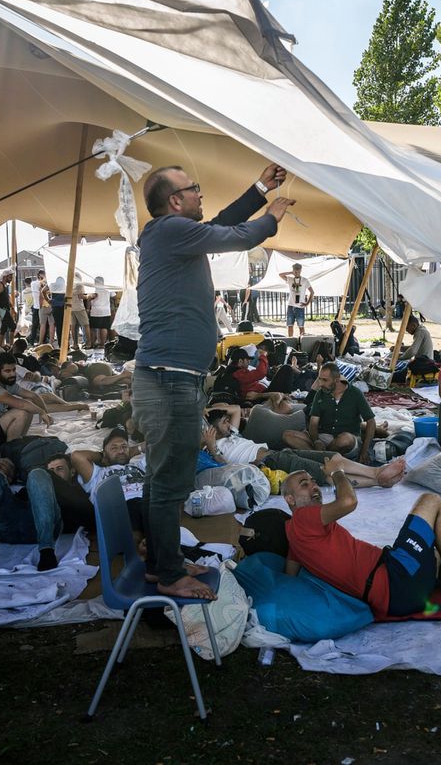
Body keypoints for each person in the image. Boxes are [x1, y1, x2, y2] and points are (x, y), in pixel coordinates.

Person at [133, 161, 292, 600]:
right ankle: (167, 574)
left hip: (168, 379)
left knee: (160, 480)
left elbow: (222, 222)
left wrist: (259, 187)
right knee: (169, 483)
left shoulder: (176, 236)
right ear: (174, 201)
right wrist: (269, 219)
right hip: (169, 381)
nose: (202, 195)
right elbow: (235, 235)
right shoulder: (168, 231)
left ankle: (158, 563)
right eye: (195, 189)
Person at [282, 468, 441, 618]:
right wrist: (337, 472)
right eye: (304, 484)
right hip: (396, 580)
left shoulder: (296, 539)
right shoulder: (303, 518)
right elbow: (348, 501)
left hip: (396, 597)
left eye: (313, 482)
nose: (314, 487)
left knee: (434, 549)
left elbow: (289, 578)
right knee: (431, 502)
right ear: (289, 500)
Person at [202, 408, 404, 488]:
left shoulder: (232, 434)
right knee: (324, 473)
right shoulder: (214, 449)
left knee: (331, 457)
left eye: (229, 422)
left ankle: (377, 473)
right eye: (224, 423)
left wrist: (207, 410)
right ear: (212, 429)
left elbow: (236, 409)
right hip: (268, 463)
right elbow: (225, 469)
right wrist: (211, 447)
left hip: (278, 453)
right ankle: (377, 479)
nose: (229, 425)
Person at [0, 456, 63, 575]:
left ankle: (47, 550)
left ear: (10, 477)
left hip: (38, 524)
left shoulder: (27, 485)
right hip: (7, 529)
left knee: (38, 473)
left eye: (2, 466)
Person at [282, 362, 375, 462]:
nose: (320, 384)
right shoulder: (320, 394)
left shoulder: (355, 393)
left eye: (325, 380)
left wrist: (364, 450)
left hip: (349, 439)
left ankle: (316, 457)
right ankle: (323, 458)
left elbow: (371, 422)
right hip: (324, 438)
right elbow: (313, 423)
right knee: (287, 435)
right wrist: (316, 440)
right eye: (320, 379)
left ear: (337, 380)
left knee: (344, 439)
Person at [0, 352, 55, 447]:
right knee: (21, 412)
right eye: (7, 371)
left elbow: (33, 396)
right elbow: (21, 405)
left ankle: (19, 440)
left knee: (30, 403)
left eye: (14, 370)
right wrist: (41, 412)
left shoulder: (7, 382)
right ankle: (11, 448)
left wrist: (46, 413)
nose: (12, 374)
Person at [280, 262, 314, 338]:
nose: (296, 273)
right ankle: (290, 340)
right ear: (293, 271)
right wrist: (290, 273)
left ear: (301, 271)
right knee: (290, 325)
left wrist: (307, 303)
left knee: (301, 326)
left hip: (300, 307)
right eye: (295, 271)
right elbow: (280, 275)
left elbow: (312, 292)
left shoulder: (305, 280)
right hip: (291, 306)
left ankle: (302, 342)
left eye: (298, 271)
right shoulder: (290, 279)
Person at [87, 277, 112, 349]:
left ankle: (92, 343)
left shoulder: (93, 289)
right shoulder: (108, 288)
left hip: (95, 311)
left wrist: (88, 309)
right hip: (106, 311)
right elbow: (114, 296)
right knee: (104, 327)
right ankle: (102, 344)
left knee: (93, 328)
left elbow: (89, 299)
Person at [0, 272, 16, 348]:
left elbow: (7, 298)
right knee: (12, 326)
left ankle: (0, 346)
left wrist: (12, 308)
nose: (11, 279)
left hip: (6, 309)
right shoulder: (0, 285)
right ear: (5, 277)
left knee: (4, 327)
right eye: (10, 277)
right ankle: (11, 345)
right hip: (2, 309)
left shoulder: (6, 285)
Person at [69, 279, 89, 350]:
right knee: (86, 325)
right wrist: (88, 296)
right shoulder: (79, 285)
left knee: (73, 326)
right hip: (79, 308)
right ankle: (88, 343)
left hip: (71, 307)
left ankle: (75, 344)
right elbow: (81, 296)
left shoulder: (69, 284)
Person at [48, 276, 66, 346]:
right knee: (65, 326)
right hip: (64, 307)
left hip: (55, 307)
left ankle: (60, 343)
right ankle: (65, 343)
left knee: (58, 326)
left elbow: (43, 291)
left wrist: (49, 300)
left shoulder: (52, 285)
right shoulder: (65, 286)